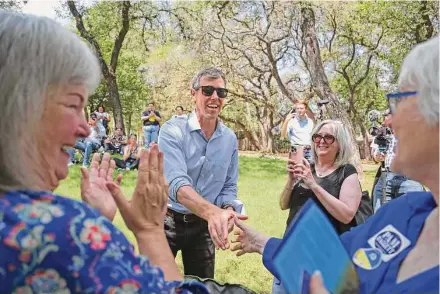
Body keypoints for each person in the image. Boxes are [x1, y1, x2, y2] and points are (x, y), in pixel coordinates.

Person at [0, 11, 208, 293]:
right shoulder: (60, 234)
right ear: (20, 106)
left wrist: (95, 221)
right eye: (73, 105)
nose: (85, 129)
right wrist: (149, 231)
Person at [231, 36, 439, 294]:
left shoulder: (349, 174)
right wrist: (262, 242)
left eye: (402, 102)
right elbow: (334, 261)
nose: (389, 123)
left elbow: (346, 215)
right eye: (317, 137)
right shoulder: (404, 213)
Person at [158, 67, 247, 279]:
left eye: (221, 92)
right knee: (154, 285)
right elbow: (176, 184)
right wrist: (214, 213)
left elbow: (228, 185)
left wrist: (226, 210)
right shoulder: (172, 130)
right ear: (193, 93)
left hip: (203, 228)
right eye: (207, 90)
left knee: (202, 286)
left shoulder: (229, 139)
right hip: (166, 221)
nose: (215, 97)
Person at [273, 120, 362, 293]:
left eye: (328, 137)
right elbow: (284, 204)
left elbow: (347, 214)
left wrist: (313, 185)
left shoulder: (346, 172)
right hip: (292, 251)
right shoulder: (307, 168)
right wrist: (291, 181)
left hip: (323, 258)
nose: (321, 141)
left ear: (340, 143)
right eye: (317, 137)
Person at [370, 110, 424, 213]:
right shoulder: (381, 132)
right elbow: (374, 153)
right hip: (385, 179)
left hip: (409, 180)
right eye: (385, 115)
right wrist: (377, 156)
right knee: (381, 220)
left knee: (409, 222)